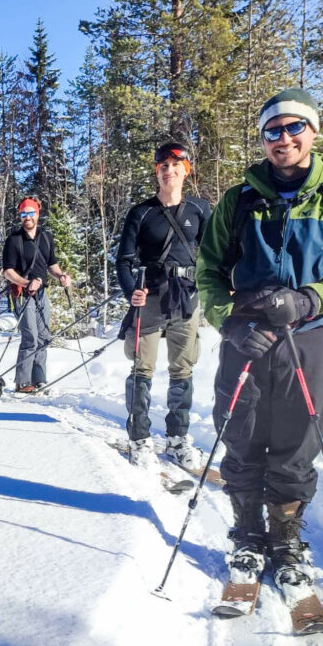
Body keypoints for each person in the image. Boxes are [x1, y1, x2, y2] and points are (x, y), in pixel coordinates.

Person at [196, 88, 323, 590]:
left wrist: (311, 299)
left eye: (294, 127)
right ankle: (248, 535)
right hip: (248, 336)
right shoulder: (240, 200)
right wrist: (228, 321)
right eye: (273, 131)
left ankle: (286, 538)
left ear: (313, 132)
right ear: (263, 140)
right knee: (240, 432)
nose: (284, 139)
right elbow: (208, 270)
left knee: (298, 440)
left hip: (310, 336)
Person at [117, 143, 211, 469]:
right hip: (150, 299)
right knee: (142, 369)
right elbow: (124, 261)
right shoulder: (141, 213)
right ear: (156, 171)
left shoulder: (200, 210)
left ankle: (176, 439)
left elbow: (213, 256)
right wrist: (132, 292)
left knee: (182, 369)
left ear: (187, 170)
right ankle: (139, 439)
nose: (169, 170)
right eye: (163, 165)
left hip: (187, 300)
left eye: (176, 164)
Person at [1, 197, 72, 393]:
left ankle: (39, 379)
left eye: (30, 213)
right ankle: (22, 382)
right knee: (30, 337)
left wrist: (61, 276)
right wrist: (25, 283)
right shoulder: (14, 240)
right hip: (22, 294)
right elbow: (8, 271)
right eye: (23, 214)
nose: (27, 217)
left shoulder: (46, 237)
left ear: (37, 214)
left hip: (41, 294)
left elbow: (52, 264)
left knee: (44, 337)